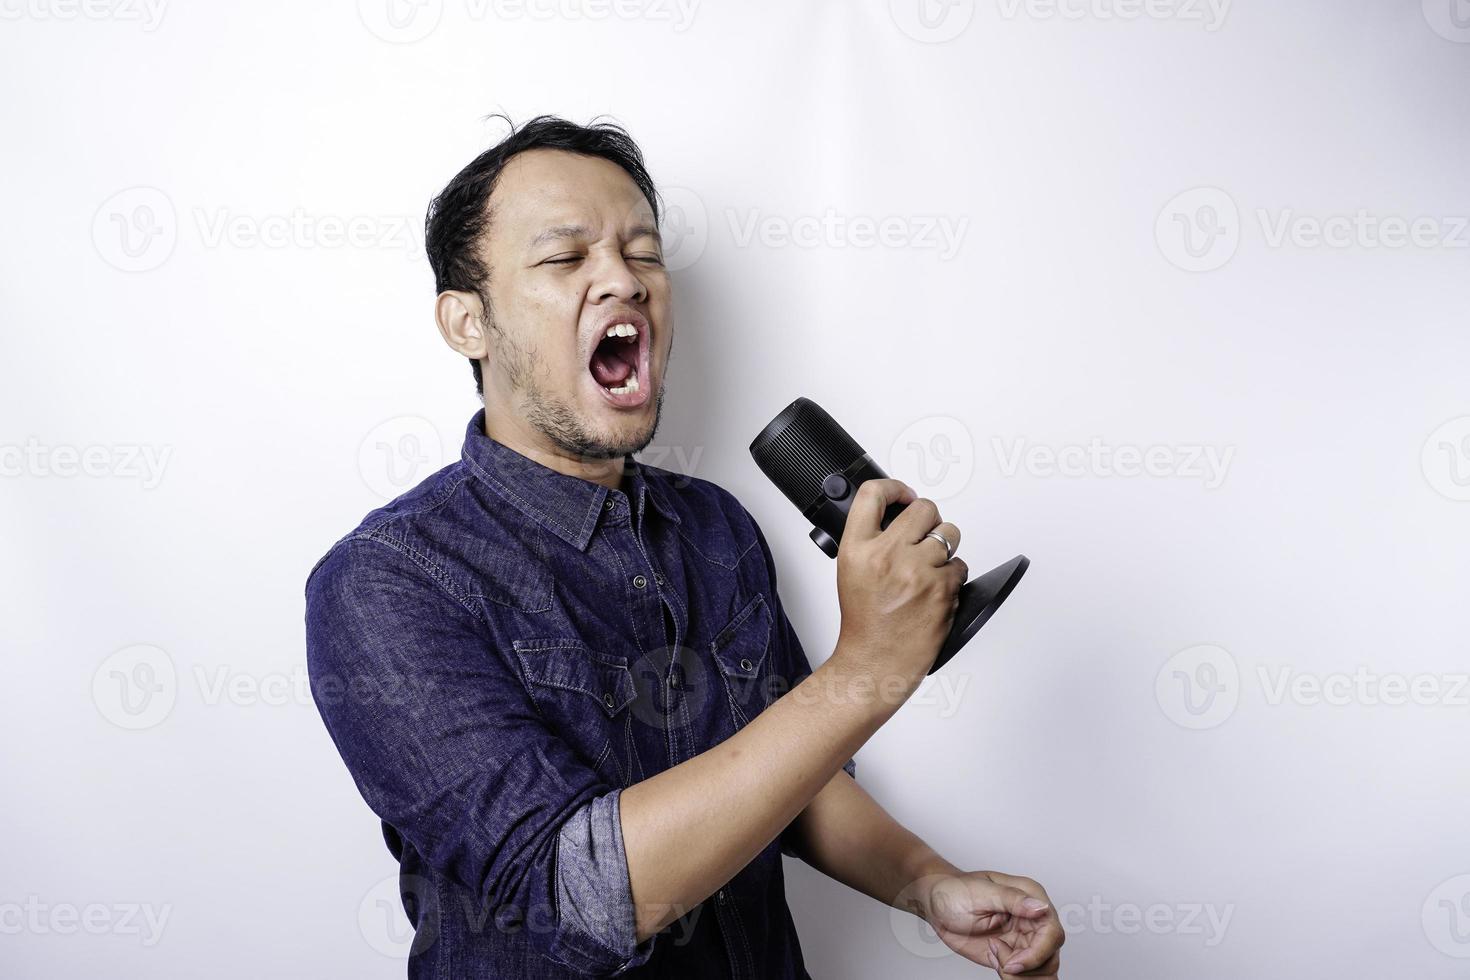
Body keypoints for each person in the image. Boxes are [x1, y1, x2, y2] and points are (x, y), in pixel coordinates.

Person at [303, 114, 1064, 978]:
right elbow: (578, 894)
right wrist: (863, 670)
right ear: (466, 323)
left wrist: (928, 884)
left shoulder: (715, 527)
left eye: (643, 254)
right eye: (565, 258)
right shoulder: (384, 584)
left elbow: (799, 776)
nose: (622, 282)